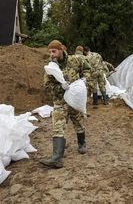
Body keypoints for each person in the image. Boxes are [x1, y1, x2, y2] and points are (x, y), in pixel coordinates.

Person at [41, 40, 91, 169]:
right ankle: (56, 158)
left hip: (74, 100)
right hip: (60, 101)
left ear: (61, 50)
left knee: (78, 122)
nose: (51, 54)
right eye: (50, 51)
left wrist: (85, 79)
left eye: (54, 51)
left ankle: (81, 144)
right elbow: (47, 86)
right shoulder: (51, 67)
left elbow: (87, 69)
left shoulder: (75, 60)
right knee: (57, 126)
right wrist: (61, 88)